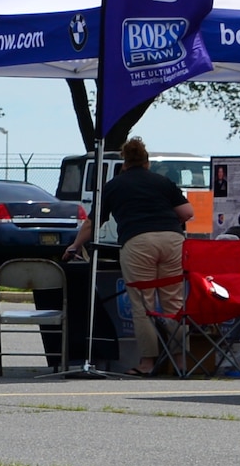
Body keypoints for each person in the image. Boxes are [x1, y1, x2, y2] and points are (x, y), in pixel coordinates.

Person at [66, 138, 193, 377]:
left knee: (142, 304)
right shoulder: (162, 181)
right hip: (172, 241)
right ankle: (180, 362)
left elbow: (93, 223)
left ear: (125, 163)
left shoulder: (114, 185)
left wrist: (74, 246)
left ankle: (146, 363)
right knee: (174, 304)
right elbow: (187, 212)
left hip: (138, 242)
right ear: (147, 162)